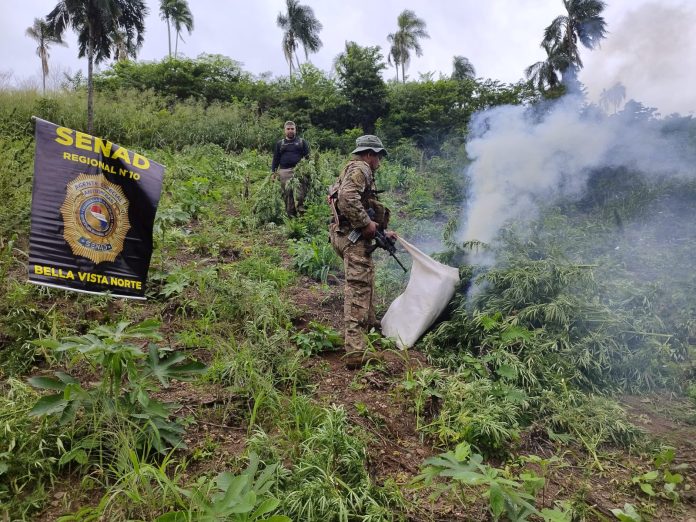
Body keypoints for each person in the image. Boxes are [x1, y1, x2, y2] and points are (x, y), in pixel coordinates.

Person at [328, 135, 397, 369]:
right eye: (378, 156)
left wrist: (381, 231)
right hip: (351, 237)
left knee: (365, 280)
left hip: (343, 234)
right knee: (358, 287)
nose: (379, 161)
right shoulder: (362, 168)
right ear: (370, 154)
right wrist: (366, 224)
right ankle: (356, 350)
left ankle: (366, 327)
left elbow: (361, 204)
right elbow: (347, 198)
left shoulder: (352, 168)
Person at [271, 121, 310, 217]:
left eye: (292, 129)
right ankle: (290, 215)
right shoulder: (280, 144)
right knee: (287, 194)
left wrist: (308, 170)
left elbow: (308, 157)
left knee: (300, 193)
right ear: (285, 130)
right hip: (284, 171)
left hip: (299, 171)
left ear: (295, 130)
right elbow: (276, 159)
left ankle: (301, 214)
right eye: (288, 129)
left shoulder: (301, 142)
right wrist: (273, 173)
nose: (290, 131)